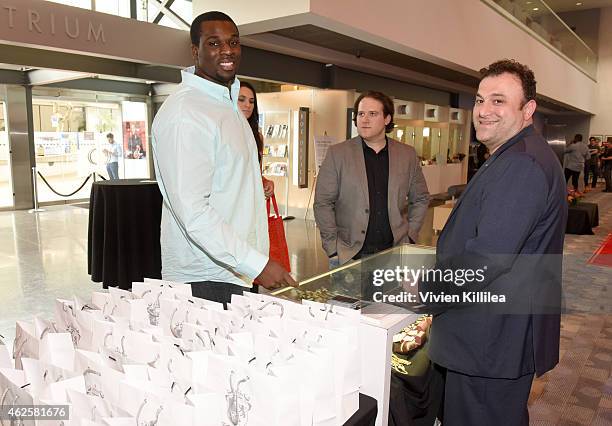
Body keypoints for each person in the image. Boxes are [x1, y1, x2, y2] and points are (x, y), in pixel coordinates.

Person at [423, 60, 567, 425]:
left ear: (527, 110)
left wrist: (422, 292)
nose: (484, 111)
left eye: (499, 101)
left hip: (492, 341)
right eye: (480, 100)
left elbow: (487, 258)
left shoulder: (522, 164)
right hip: (494, 335)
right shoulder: (514, 154)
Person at [151, 11, 295, 306]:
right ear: (195, 51)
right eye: (214, 43)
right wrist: (256, 264)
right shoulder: (186, 113)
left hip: (235, 270)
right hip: (206, 278)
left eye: (233, 42)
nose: (227, 50)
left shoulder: (226, 103)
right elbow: (193, 211)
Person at [313, 90, 430, 269]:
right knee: (344, 299)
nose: (364, 119)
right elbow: (323, 203)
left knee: (389, 298)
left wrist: (411, 234)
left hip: (393, 254)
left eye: (372, 114)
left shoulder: (406, 155)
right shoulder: (338, 154)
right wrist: (332, 247)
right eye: (361, 114)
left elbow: (420, 198)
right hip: (348, 255)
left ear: (387, 119)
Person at [238, 81, 274, 198]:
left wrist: (266, 182)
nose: (247, 105)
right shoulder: (223, 132)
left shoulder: (258, 137)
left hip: (251, 200)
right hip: (229, 202)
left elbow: (256, 172)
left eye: (251, 101)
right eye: (241, 99)